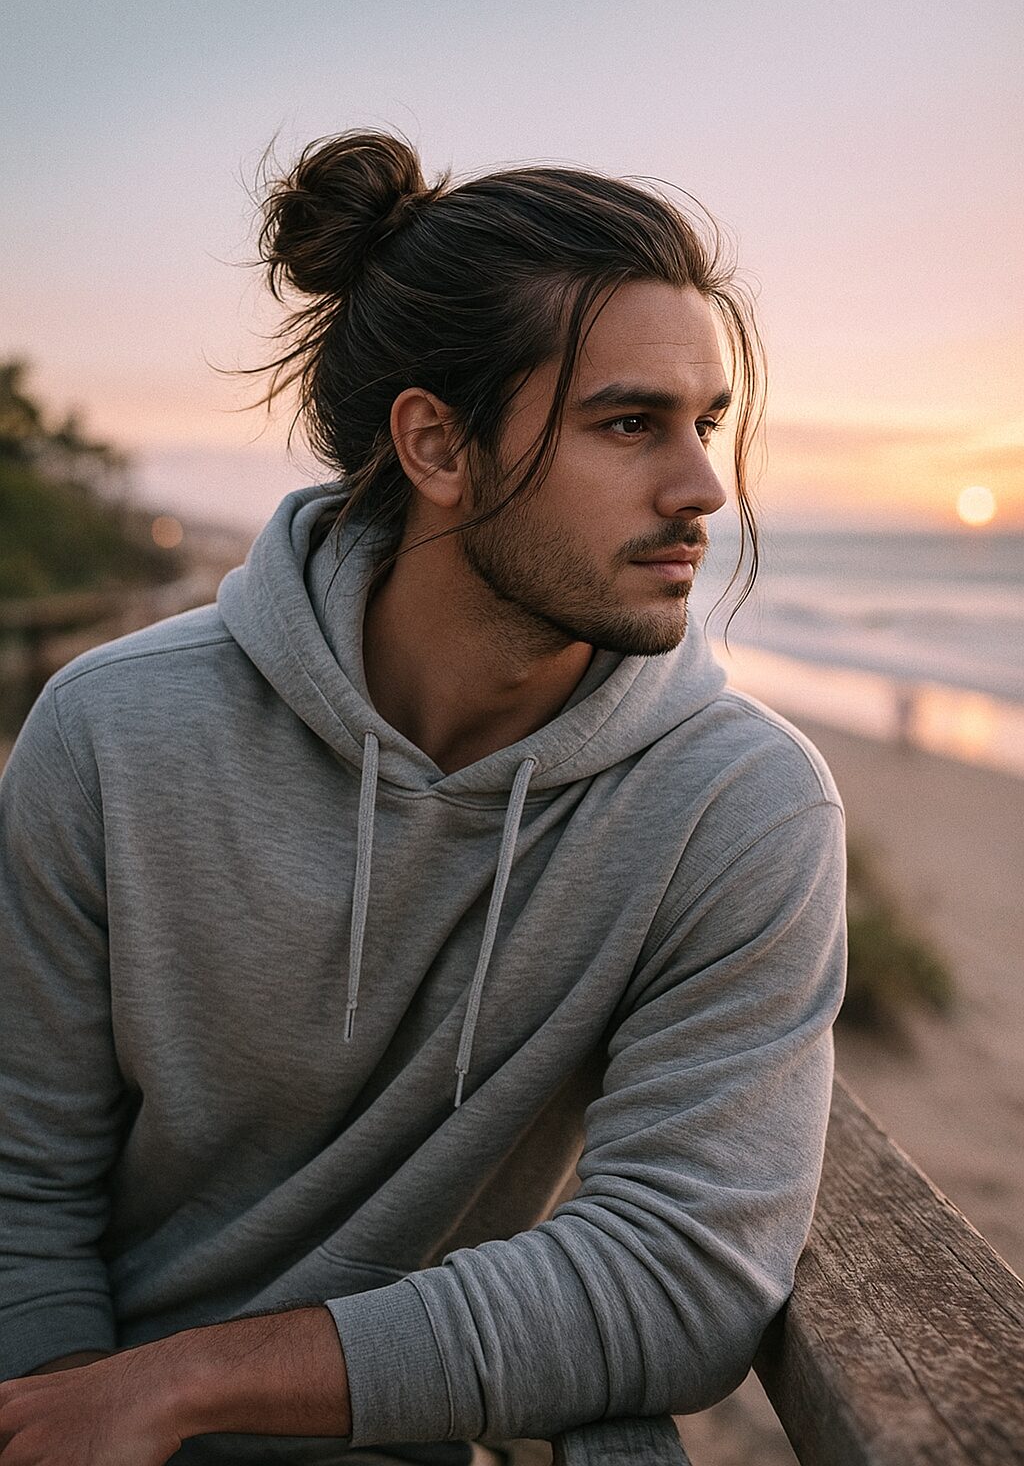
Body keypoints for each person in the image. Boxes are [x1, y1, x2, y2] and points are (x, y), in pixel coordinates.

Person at [0, 132, 847, 1464]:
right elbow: (19, 1184)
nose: (702, 491)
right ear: (436, 445)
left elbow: (682, 1273)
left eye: (707, 425)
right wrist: (78, 1407)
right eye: (629, 423)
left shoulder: (737, 808)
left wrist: (187, 1387)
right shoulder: (110, 734)